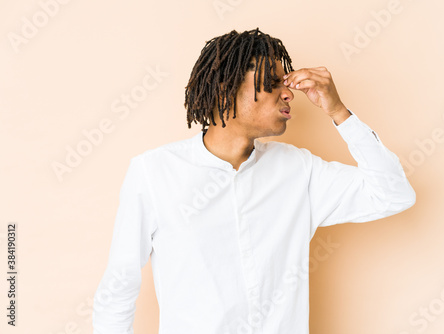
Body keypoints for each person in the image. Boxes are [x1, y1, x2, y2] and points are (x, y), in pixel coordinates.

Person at [92, 27, 416, 334]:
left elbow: (393, 194)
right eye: (273, 82)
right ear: (226, 87)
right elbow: (118, 287)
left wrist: (338, 111)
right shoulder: (155, 172)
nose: (289, 93)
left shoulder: (299, 171)